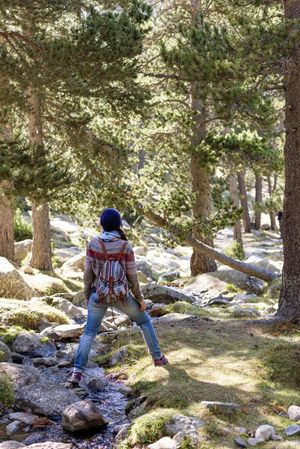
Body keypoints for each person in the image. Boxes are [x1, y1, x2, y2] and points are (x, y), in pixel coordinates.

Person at [66, 208, 168, 387]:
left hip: (99, 295)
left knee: (89, 332)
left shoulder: (93, 244)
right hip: (122, 296)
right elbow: (132, 276)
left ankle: (77, 373)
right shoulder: (125, 246)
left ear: (102, 224)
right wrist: (140, 299)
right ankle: (158, 358)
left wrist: (89, 295)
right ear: (119, 225)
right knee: (144, 322)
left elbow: (88, 274)